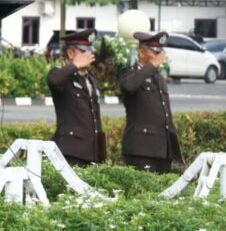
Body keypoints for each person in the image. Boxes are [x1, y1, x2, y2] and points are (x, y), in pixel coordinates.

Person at [118, 31, 183, 173]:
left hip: (162, 150)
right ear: (142, 53)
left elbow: (166, 115)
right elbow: (129, 86)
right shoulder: (129, 73)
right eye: (155, 53)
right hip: (141, 149)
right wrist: (152, 64)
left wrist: (174, 152)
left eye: (160, 53)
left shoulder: (158, 78)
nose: (160, 57)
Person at [46, 29, 106, 166]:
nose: (89, 55)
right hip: (70, 151)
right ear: (71, 53)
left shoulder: (90, 80)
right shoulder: (61, 75)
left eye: (90, 51)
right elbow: (54, 80)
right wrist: (75, 65)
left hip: (92, 152)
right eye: (84, 52)